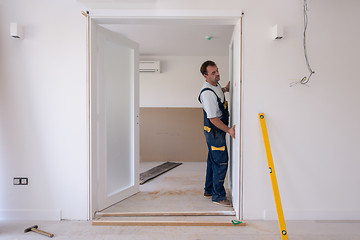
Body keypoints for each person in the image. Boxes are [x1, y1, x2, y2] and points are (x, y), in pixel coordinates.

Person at [198, 60, 235, 207]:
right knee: (221, 161)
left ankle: (208, 190)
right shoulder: (207, 94)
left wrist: (226, 88)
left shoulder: (215, 85)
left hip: (216, 130)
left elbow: (220, 94)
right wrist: (229, 130)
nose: (217, 74)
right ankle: (218, 196)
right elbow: (213, 118)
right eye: (213, 73)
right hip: (214, 131)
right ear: (205, 76)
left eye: (217, 70)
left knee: (213, 160)